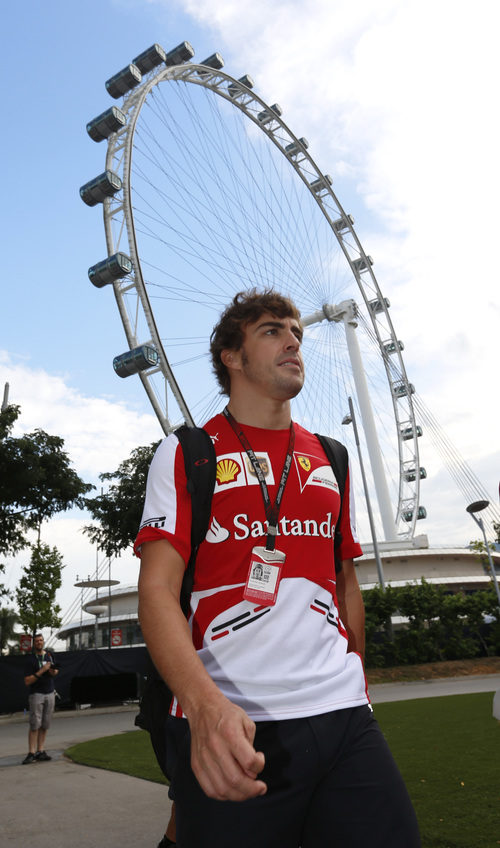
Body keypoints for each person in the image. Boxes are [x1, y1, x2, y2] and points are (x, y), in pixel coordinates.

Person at [135, 289, 421, 847]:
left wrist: (354, 681)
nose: (294, 339)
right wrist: (204, 708)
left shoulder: (331, 456)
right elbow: (157, 591)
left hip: (343, 717)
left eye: (296, 331)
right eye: (272, 331)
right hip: (235, 721)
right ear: (233, 358)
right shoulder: (189, 453)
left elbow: (344, 582)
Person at [22, 633, 59, 764]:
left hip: (49, 692)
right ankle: (31, 753)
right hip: (36, 694)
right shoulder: (30, 659)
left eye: (41, 640)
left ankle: (40, 751)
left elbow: (55, 672)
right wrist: (42, 670)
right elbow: (27, 681)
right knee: (34, 725)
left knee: (45, 724)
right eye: (37, 641)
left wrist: (52, 671)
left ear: (44, 641)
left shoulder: (49, 655)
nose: (39, 642)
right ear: (34, 643)